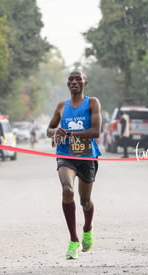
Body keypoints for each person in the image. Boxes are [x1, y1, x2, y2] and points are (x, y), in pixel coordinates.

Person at [46, 69, 102, 260]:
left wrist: (70, 134)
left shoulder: (92, 103)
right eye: (71, 79)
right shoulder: (62, 106)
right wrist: (56, 133)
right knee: (67, 189)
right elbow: (49, 129)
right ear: (68, 84)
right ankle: (73, 240)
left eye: (78, 79)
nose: (74, 81)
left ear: (85, 83)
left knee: (85, 201)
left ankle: (87, 228)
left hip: (86, 157)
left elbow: (96, 131)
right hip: (66, 155)